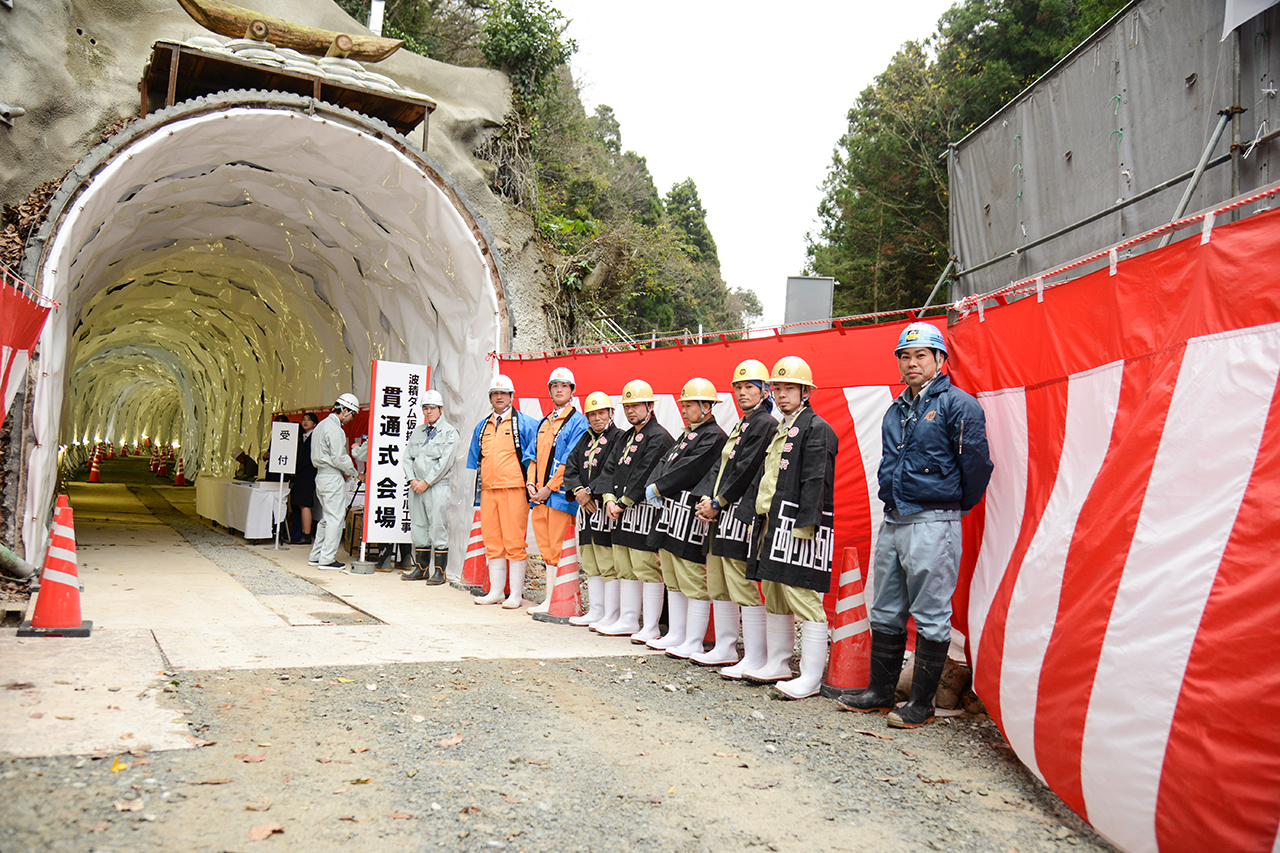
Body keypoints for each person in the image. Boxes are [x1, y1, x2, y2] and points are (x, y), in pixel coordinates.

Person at [837, 321, 993, 727]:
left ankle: (921, 705)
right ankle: (880, 693)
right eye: (905, 356)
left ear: (940, 359)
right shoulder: (896, 409)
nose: (911, 363)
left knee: (930, 612)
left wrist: (951, 505)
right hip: (894, 518)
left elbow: (976, 466)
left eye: (921, 355)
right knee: (886, 608)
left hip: (933, 521)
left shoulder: (960, 404)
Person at [739, 356, 839, 699]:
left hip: (798, 525)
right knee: (776, 591)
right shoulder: (783, 426)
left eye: (789, 389)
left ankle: (810, 677)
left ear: (805, 392)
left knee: (803, 595)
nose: (782, 395)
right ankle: (778, 662)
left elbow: (817, 480)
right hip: (772, 521)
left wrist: (808, 526)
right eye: (777, 388)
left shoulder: (817, 428)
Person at [693, 360, 777, 673]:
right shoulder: (742, 423)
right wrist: (705, 498)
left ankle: (755, 655)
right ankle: (725, 646)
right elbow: (721, 465)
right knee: (718, 581)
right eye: (738, 387)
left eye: (749, 387)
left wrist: (719, 501)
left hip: (738, 513)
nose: (742, 392)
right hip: (718, 512)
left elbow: (747, 470)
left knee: (740, 582)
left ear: (764, 390)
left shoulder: (764, 424)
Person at [643, 378, 727, 657]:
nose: (684, 409)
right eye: (683, 405)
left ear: (706, 406)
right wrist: (653, 484)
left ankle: (694, 639)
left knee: (690, 574)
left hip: (690, 513)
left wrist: (660, 486)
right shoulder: (688, 433)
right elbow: (665, 461)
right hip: (670, 512)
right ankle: (676, 633)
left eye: (689, 405)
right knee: (672, 574)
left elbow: (692, 469)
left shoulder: (714, 436)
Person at [594, 379, 675, 639]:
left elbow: (646, 473)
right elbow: (609, 468)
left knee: (646, 565)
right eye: (627, 406)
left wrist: (623, 502)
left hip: (643, 510)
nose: (631, 411)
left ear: (650, 406)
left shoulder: (659, 436)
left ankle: (651, 625)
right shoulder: (625, 435)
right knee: (624, 564)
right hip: (618, 509)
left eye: (637, 405)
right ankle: (628, 619)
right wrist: (608, 498)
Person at [467, 374, 538, 607]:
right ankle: (497, 591)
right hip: (488, 490)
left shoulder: (525, 423)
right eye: (495, 394)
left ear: (511, 396)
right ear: (490, 397)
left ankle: (516, 594)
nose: (499, 397)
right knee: (493, 540)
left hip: (514, 489)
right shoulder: (482, 426)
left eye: (504, 393)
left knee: (515, 541)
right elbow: (476, 460)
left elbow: (535, 458)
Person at [525, 367, 588, 615]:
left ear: (572, 390)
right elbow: (532, 456)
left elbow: (569, 461)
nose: (559, 389)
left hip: (560, 498)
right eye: (554, 386)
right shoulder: (545, 421)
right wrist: (531, 484)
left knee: (559, 547)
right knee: (546, 548)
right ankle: (550, 598)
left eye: (564, 385)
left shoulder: (577, 422)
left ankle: (558, 600)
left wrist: (547, 489)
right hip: (539, 498)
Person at [563, 391, 623, 627]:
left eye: (601, 413)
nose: (597, 418)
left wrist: (591, 491)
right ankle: (596, 610)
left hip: (604, 507)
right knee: (589, 559)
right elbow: (571, 467)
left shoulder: (619, 437)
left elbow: (614, 469)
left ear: (611, 413)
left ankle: (612, 613)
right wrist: (578, 491)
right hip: (585, 510)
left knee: (608, 561)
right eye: (592, 414)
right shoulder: (585, 439)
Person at [400, 390, 459, 584]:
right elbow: (407, 457)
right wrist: (412, 480)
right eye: (425, 408)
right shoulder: (418, 431)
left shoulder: (450, 432)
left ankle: (440, 571)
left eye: (432, 408)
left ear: (441, 409)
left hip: (436, 487)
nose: (428, 411)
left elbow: (445, 462)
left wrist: (426, 481)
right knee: (418, 526)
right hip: (416, 486)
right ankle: (421, 568)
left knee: (437, 526)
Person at [308, 393, 364, 570]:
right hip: (332, 476)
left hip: (321, 475)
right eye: (352, 414)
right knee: (335, 519)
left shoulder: (321, 426)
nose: (351, 418)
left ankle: (316, 555)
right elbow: (340, 458)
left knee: (326, 517)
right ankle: (327, 559)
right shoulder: (335, 429)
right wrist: (356, 473)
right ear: (345, 410)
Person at [288, 412, 319, 545]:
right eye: (304, 419)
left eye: (309, 420)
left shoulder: (315, 437)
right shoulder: (303, 437)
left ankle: (306, 534)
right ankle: (301, 533)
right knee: (300, 504)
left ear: (315, 424)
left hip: (308, 475)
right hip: (301, 475)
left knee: (305, 504)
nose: (305, 422)